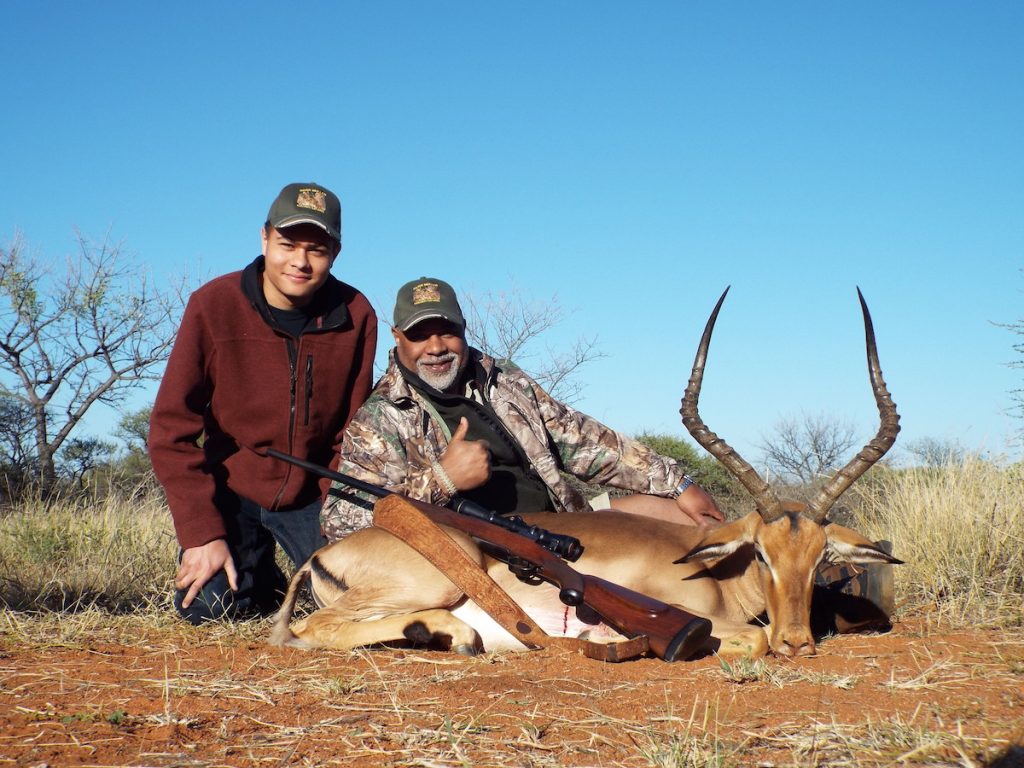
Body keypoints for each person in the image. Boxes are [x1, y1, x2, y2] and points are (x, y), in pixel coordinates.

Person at [321, 276, 722, 541]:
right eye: (419, 335)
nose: (436, 347)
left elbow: (582, 440)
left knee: (691, 520)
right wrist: (441, 481)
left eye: (447, 331)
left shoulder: (504, 380)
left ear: (464, 329)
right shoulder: (379, 417)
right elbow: (342, 523)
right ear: (397, 337)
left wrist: (679, 483)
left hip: (567, 524)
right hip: (485, 549)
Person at [149, 182, 378, 623]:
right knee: (208, 609)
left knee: (360, 605)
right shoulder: (213, 305)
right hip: (230, 489)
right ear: (265, 238)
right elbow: (169, 431)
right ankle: (255, 573)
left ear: (336, 252)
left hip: (310, 494)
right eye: (288, 244)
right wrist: (201, 533)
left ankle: (277, 574)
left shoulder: (357, 314)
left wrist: (337, 514)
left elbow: (353, 432)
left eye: (317, 249)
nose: (300, 261)